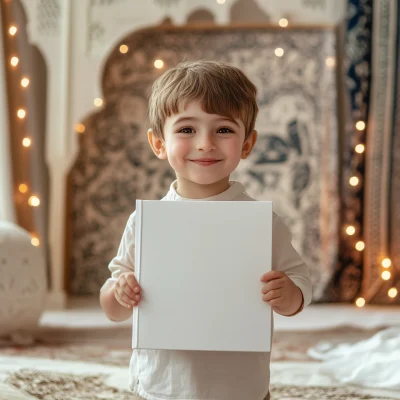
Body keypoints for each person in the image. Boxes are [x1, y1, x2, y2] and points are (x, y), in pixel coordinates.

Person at [100, 60, 312, 400]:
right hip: (162, 387)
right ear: (158, 143)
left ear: (247, 144)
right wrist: (120, 294)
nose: (205, 143)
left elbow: (300, 285)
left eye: (224, 130)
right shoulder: (145, 223)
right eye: (186, 130)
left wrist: (289, 296)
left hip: (239, 388)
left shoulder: (262, 223)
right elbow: (112, 307)